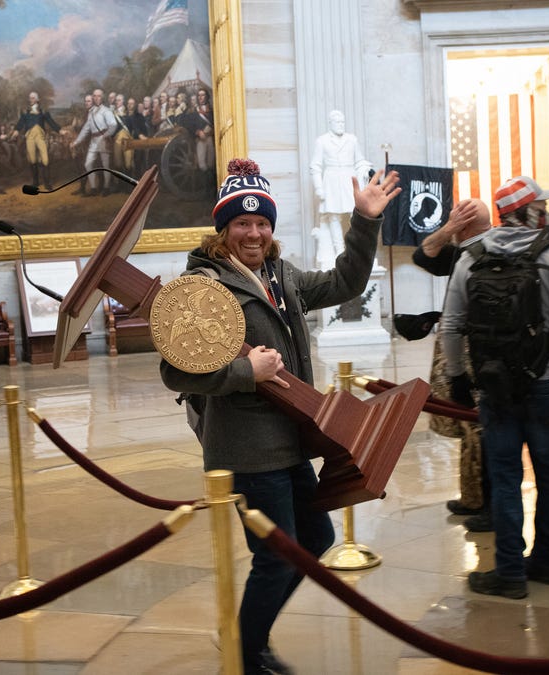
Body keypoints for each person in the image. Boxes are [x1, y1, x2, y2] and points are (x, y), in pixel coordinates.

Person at [159, 158, 401, 673]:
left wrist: (365, 222)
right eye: (242, 224)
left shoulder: (282, 274)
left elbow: (345, 282)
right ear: (223, 230)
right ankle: (249, 653)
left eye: (262, 223)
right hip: (246, 447)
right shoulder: (203, 284)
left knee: (315, 539)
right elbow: (175, 373)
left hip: (291, 439)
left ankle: (247, 634)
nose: (253, 232)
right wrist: (245, 370)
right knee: (277, 553)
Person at [440, 176, 549, 600]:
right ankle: (548, 561)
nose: (547, 213)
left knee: (506, 476)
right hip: (548, 382)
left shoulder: (470, 257)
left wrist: (458, 376)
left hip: (496, 387)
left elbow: (453, 325)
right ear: (529, 212)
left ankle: (510, 570)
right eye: (542, 207)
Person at [412, 198, 493, 528]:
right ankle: (474, 497)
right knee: (469, 427)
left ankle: (490, 506)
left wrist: (451, 228)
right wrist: (450, 229)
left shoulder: (488, 250)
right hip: (463, 351)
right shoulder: (464, 250)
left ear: (465, 225)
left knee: (481, 430)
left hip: (480, 355)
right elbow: (423, 255)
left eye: (456, 220)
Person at [309, 110, 372, 269]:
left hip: (349, 178)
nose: (341, 125)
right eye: (338, 122)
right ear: (330, 123)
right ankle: (339, 251)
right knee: (334, 216)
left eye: (343, 122)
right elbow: (315, 166)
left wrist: (365, 168)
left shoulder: (352, 140)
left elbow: (359, 161)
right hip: (331, 179)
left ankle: (355, 247)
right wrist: (319, 188)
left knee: (354, 213)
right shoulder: (322, 141)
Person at [12, 91, 62, 191]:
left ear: (38, 100)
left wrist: (60, 130)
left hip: (40, 137)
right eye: (30, 98)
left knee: (45, 159)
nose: (31, 99)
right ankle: (36, 182)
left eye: (33, 98)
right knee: (32, 159)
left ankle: (47, 183)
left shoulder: (43, 111)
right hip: (29, 137)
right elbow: (20, 123)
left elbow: (51, 122)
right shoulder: (25, 112)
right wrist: (16, 131)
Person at [73, 89, 116, 197]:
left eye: (99, 96)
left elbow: (113, 125)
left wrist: (106, 136)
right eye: (95, 96)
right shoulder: (91, 112)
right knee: (88, 164)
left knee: (105, 165)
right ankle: (93, 188)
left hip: (103, 139)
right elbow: (86, 129)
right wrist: (77, 141)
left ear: (102, 97)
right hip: (94, 141)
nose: (97, 98)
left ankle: (106, 188)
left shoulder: (106, 111)